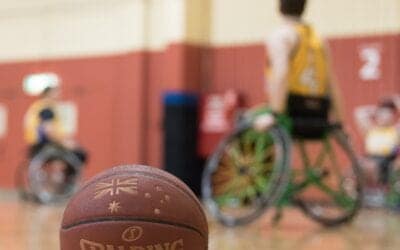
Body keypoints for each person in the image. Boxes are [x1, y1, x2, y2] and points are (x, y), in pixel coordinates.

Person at [255, 0, 344, 135]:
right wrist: (339, 121)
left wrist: (274, 114)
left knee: (246, 120)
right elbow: (331, 84)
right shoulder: (319, 41)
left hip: (290, 111)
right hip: (318, 113)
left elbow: (281, 73)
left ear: (280, 5)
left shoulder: (281, 36)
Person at [24, 86, 87, 165]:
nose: (59, 95)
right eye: (56, 93)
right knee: (80, 154)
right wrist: (64, 143)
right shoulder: (46, 108)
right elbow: (48, 130)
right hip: (45, 144)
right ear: (48, 94)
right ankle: (66, 176)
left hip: (37, 143)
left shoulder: (38, 106)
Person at [355, 96, 400, 185]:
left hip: (387, 161)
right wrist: (376, 110)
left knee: (369, 166)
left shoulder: (395, 130)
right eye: (382, 113)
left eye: (388, 114)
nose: (385, 116)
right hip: (369, 159)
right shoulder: (371, 130)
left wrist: (396, 102)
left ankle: (376, 190)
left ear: (392, 116)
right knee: (358, 165)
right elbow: (359, 113)